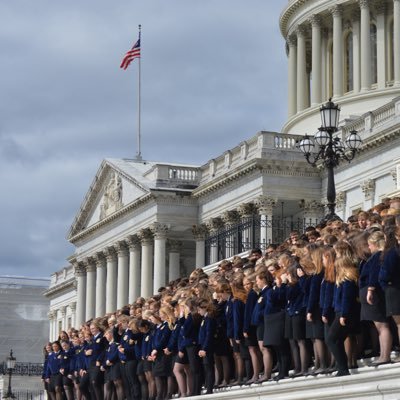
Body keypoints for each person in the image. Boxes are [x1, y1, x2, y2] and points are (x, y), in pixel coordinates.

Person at [361, 231, 393, 366]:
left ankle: (385, 355)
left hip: (375, 295)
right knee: (380, 326)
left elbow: (374, 274)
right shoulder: (381, 255)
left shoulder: (377, 256)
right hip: (376, 294)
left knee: (382, 325)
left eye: (369, 245)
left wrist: (370, 290)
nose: (369, 248)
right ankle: (383, 355)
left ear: (374, 244)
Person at [326, 257, 360, 376]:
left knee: (331, 338)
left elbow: (347, 299)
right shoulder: (343, 280)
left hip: (344, 314)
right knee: (337, 340)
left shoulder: (347, 280)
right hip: (341, 312)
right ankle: (342, 367)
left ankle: (343, 368)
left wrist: (344, 314)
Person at [197, 298, 217, 394]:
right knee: (206, 367)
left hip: (208, 347)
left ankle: (210, 389)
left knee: (209, 368)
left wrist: (204, 348)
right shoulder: (205, 318)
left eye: (199, 309)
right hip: (204, 346)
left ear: (204, 308)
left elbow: (209, 335)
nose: (198, 311)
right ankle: (208, 387)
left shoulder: (209, 318)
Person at [102, 328, 125, 400]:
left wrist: (110, 360)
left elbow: (116, 353)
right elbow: (105, 356)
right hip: (109, 367)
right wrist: (104, 364)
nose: (105, 336)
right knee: (112, 385)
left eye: (106, 334)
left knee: (118, 384)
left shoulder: (115, 343)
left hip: (116, 365)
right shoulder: (109, 345)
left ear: (111, 334)